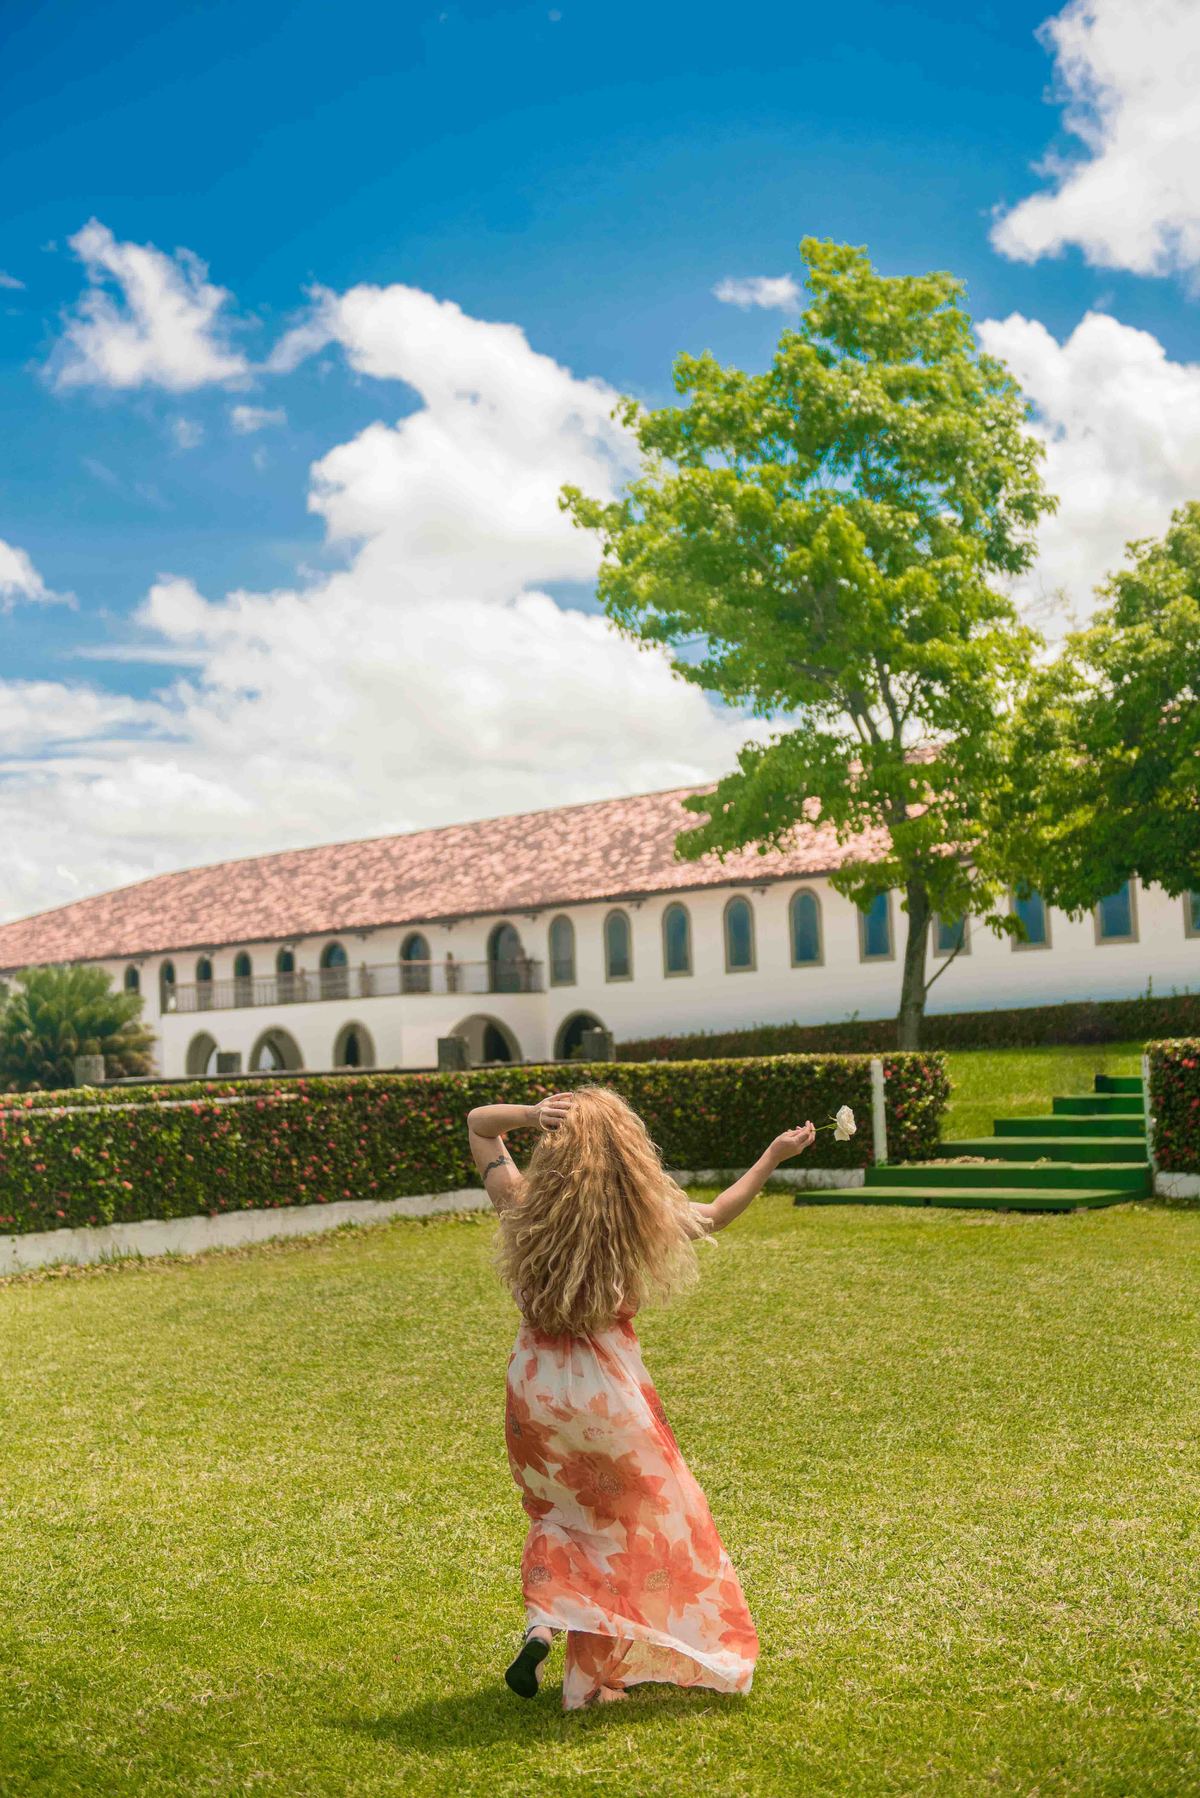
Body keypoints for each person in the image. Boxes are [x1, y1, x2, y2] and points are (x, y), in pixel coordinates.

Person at [466, 1085, 816, 1711]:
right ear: (626, 1155)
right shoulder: (635, 1221)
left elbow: (478, 1125)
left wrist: (531, 1115)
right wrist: (771, 1156)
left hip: (535, 1393)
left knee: (556, 1513)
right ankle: (589, 1681)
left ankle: (542, 1622)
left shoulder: (522, 1206)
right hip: (608, 1397)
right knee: (625, 1526)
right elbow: (718, 1213)